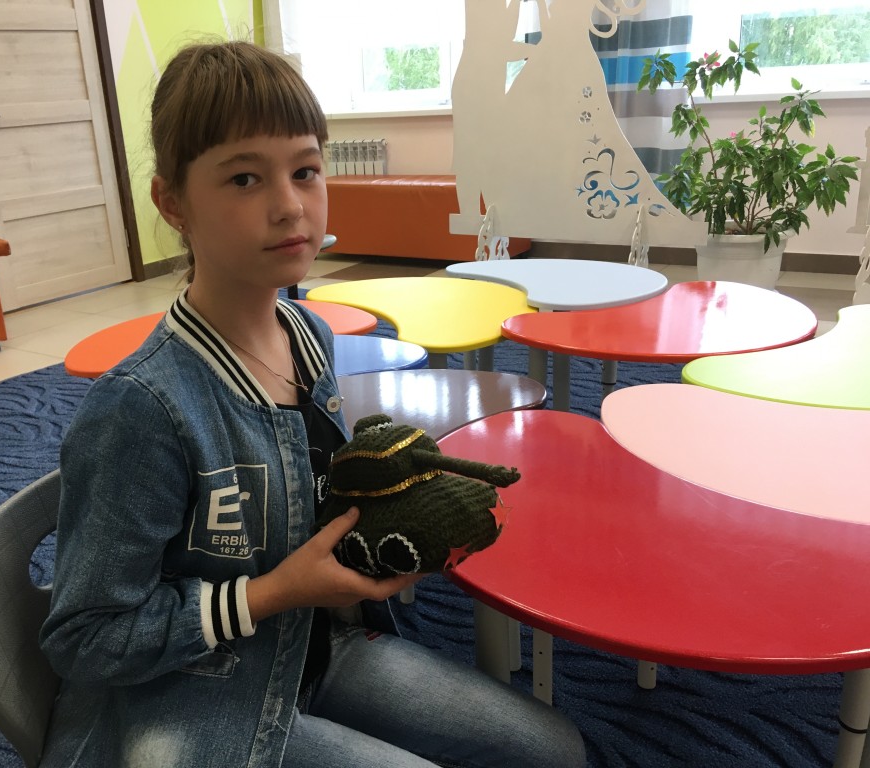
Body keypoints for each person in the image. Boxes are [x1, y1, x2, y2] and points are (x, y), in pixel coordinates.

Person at [38, 39, 587, 768]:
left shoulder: (307, 333)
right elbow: (85, 637)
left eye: (304, 170)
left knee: (553, 750)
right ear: (172, 203)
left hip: (313, 645)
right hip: (199, 693)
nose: (290, 206)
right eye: (244, 178)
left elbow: (315, 500)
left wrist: (399, 503)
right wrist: (272, 592)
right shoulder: (140, 409)